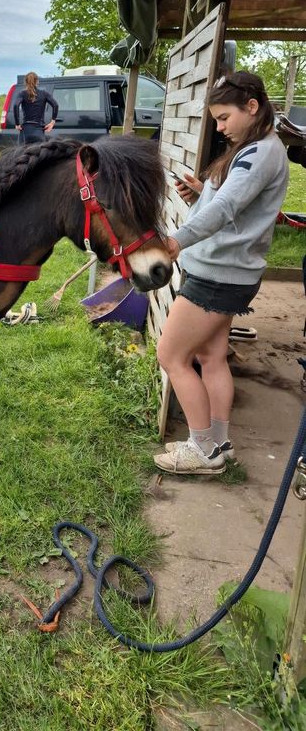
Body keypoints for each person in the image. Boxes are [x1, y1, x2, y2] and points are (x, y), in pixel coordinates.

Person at [153, 71, 289, 475]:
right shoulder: (253, 149)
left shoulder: (260, 153)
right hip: (229, 272)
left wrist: (177, 240)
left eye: (224, 117)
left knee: (171, 354)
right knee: (211, 357)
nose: (219, 126)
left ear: (252, 107)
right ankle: (219, 443)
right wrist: (201, 192)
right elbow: (232, 202)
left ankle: (202, 451)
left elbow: (227, 209)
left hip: (217, 275)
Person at [13, 72, 59, 144]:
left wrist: (17, 123)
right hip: (39, 130)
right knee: (40, 154)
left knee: (21, 154)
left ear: (26, 82)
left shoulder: (22, 94)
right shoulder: (44, 93)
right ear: (37, 81)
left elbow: (16, 105)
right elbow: (55, 105)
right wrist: (52, 122)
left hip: (26, 131)